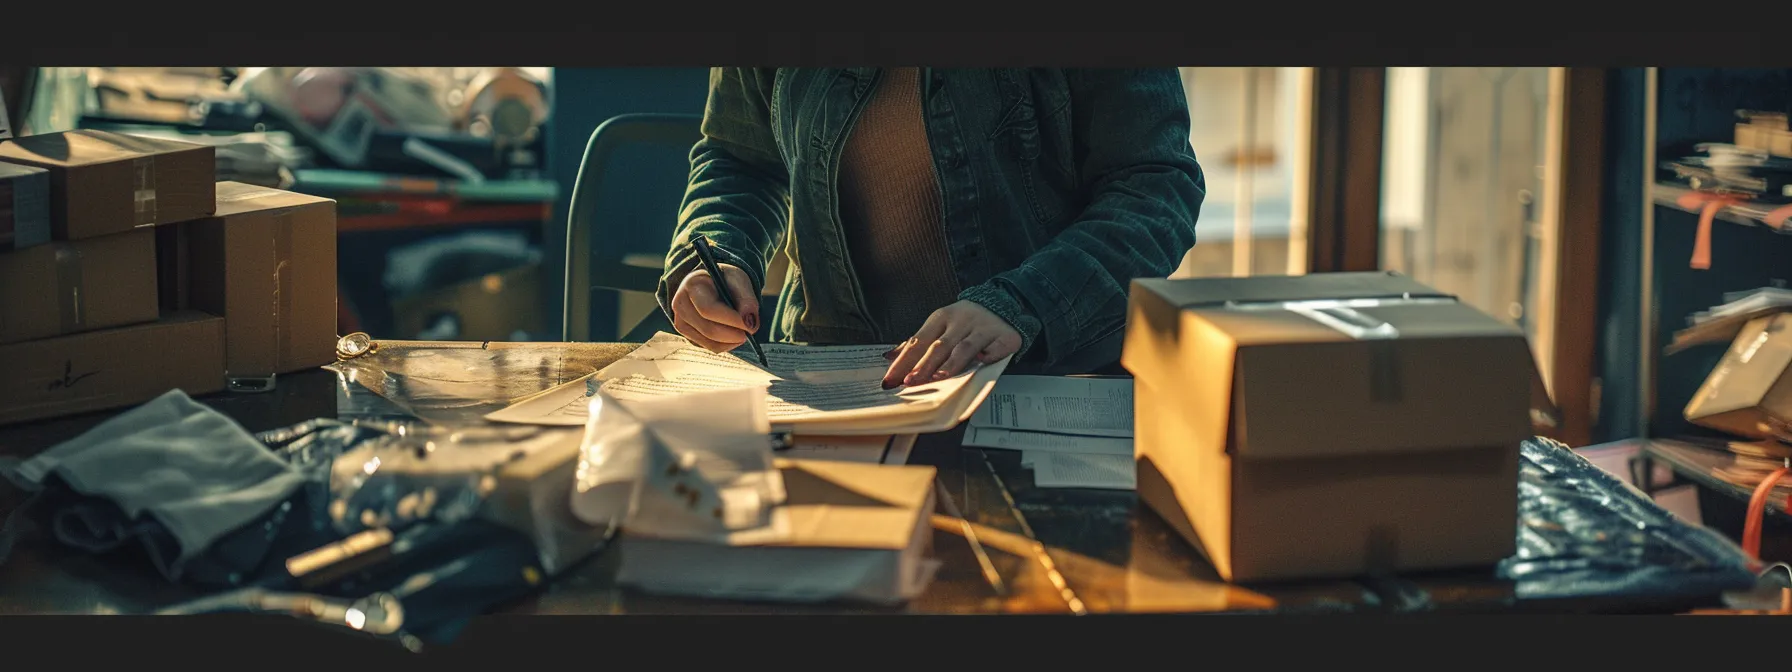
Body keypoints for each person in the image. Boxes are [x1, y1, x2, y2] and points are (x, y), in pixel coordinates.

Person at [658, 68, 1203, 389]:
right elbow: (740, 159)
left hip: (1048, 380)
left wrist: (1021, 303)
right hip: (833, 383)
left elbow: (1155, 187)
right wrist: (717, 253)